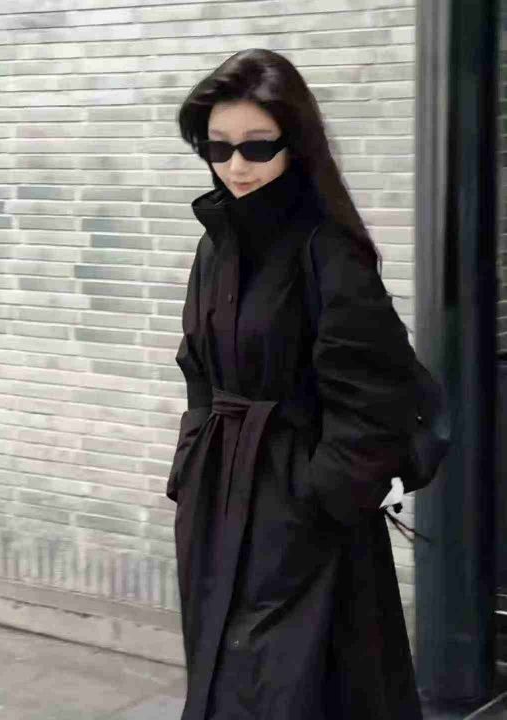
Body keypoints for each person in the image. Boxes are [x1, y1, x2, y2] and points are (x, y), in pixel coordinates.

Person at [167, 48, 422, 720]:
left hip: (301, 509)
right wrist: (191, 470)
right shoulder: (215, 242)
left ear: (295, 143)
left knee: (297, 689)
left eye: (258, 146)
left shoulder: (326, 249)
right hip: (220, 498)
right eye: (218, 148)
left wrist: (318, 498)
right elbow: (198, 368)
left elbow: (375, 393)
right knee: (227, 679)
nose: (236, 166)